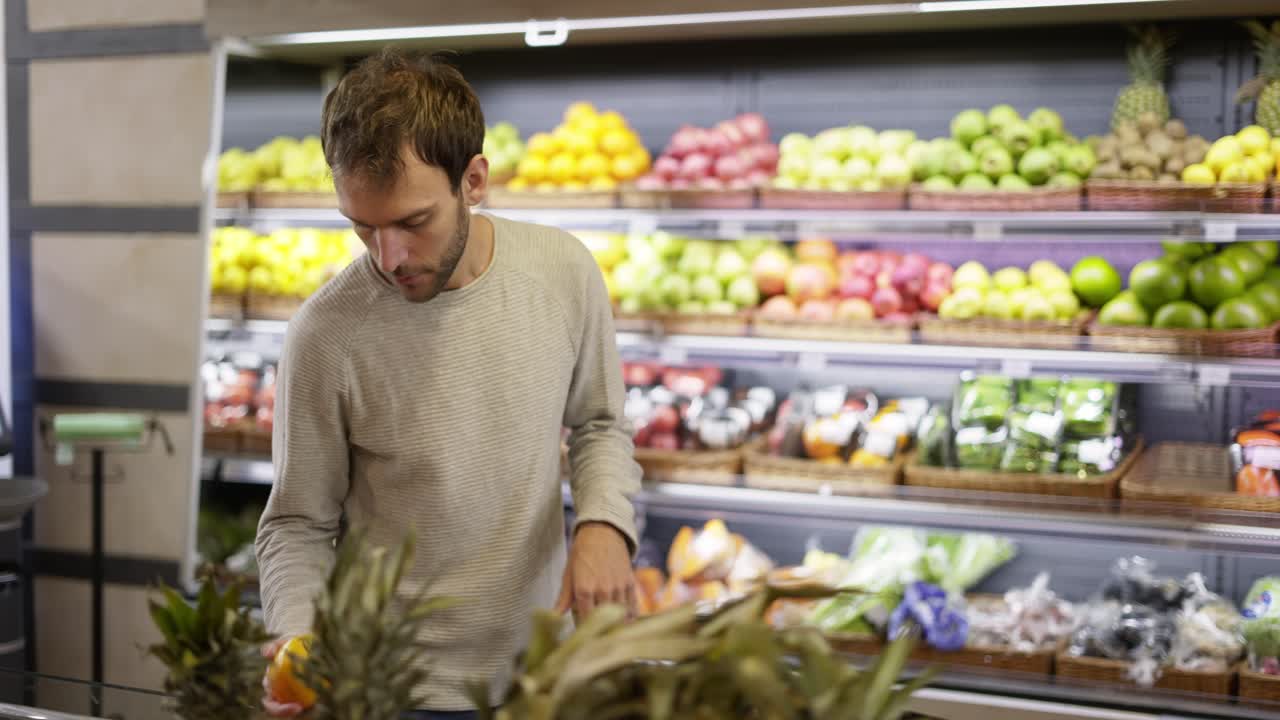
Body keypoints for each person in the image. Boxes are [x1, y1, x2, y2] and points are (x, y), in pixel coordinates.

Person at [254, 48, 641, 720]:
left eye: (412, 223)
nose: (389, 257)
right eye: (363, 228)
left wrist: (604, 523)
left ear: (474, 180)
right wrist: (297, 633)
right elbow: (295, 522)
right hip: (389, 691)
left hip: (544, 674)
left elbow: (600, 423)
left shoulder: (563, 272)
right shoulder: (325, 333)